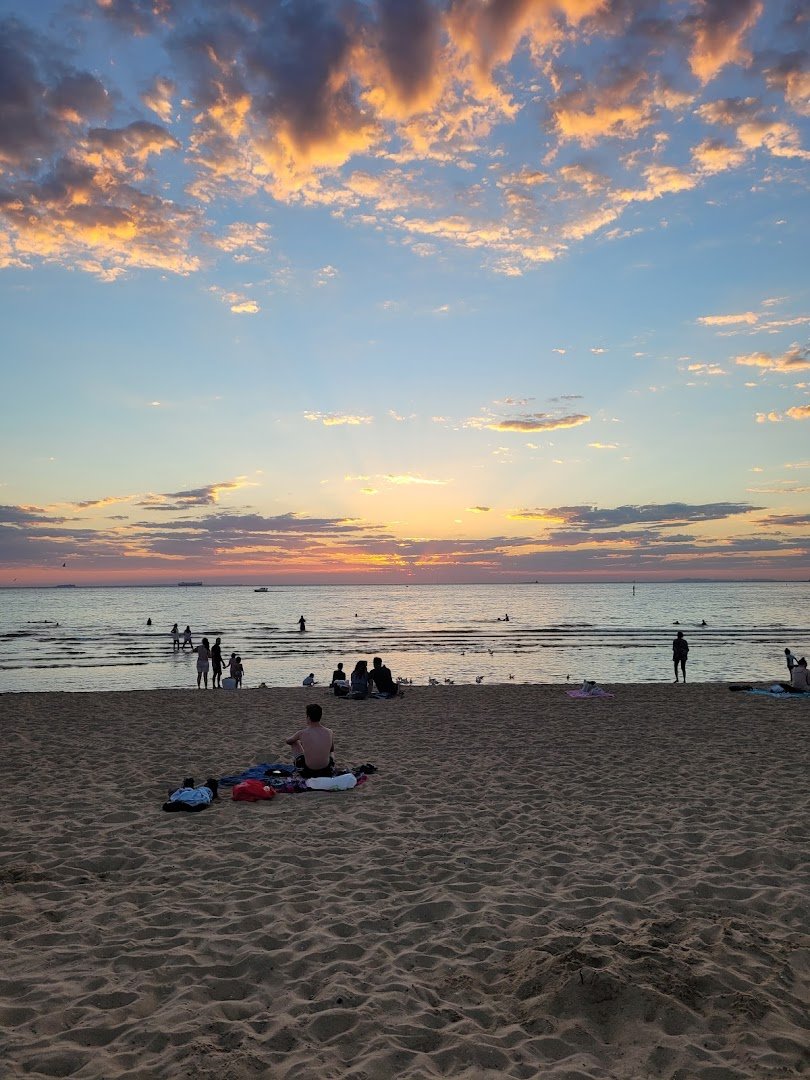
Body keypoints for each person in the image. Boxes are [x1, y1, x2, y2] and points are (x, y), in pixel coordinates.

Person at [285, 703, 335, 778]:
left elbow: (288, 741)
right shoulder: (329, 732)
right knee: (331, 752)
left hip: (308, 772)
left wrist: (287, 738)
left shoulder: (302, 733)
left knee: (294, 742)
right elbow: (331, 750)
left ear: (308, 717)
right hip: (326, 771)